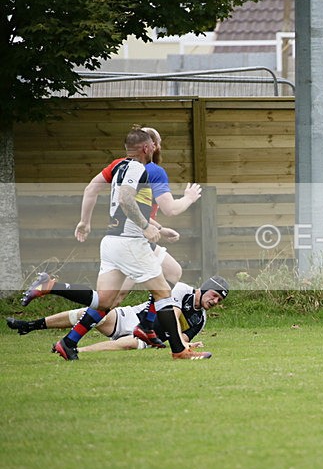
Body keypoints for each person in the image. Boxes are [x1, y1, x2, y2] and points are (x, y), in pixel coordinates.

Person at [21, 126, 201, 332]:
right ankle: (154, 333)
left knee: (111, 298)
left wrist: (84, 221)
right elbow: (170, 208)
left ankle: (65, 334)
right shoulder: (153, 171)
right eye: (157, 142)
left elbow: (92, 189)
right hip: (134, 241)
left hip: (125, 237)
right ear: (150, 146)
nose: (158, 146)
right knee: (124, 297)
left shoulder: (118, 165)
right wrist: (188, 198)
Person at [8, 276, 228, 355]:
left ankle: (77, 349)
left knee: (130, 343)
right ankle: (30, 324)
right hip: (132, 317)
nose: (215, 301)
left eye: (220, 300)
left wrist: (184, 345)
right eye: (215, 295)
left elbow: (183, 337)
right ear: (205, 287)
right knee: (94, 313)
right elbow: (174, 314)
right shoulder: (181, 289)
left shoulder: (201, 319)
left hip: (148, 340)